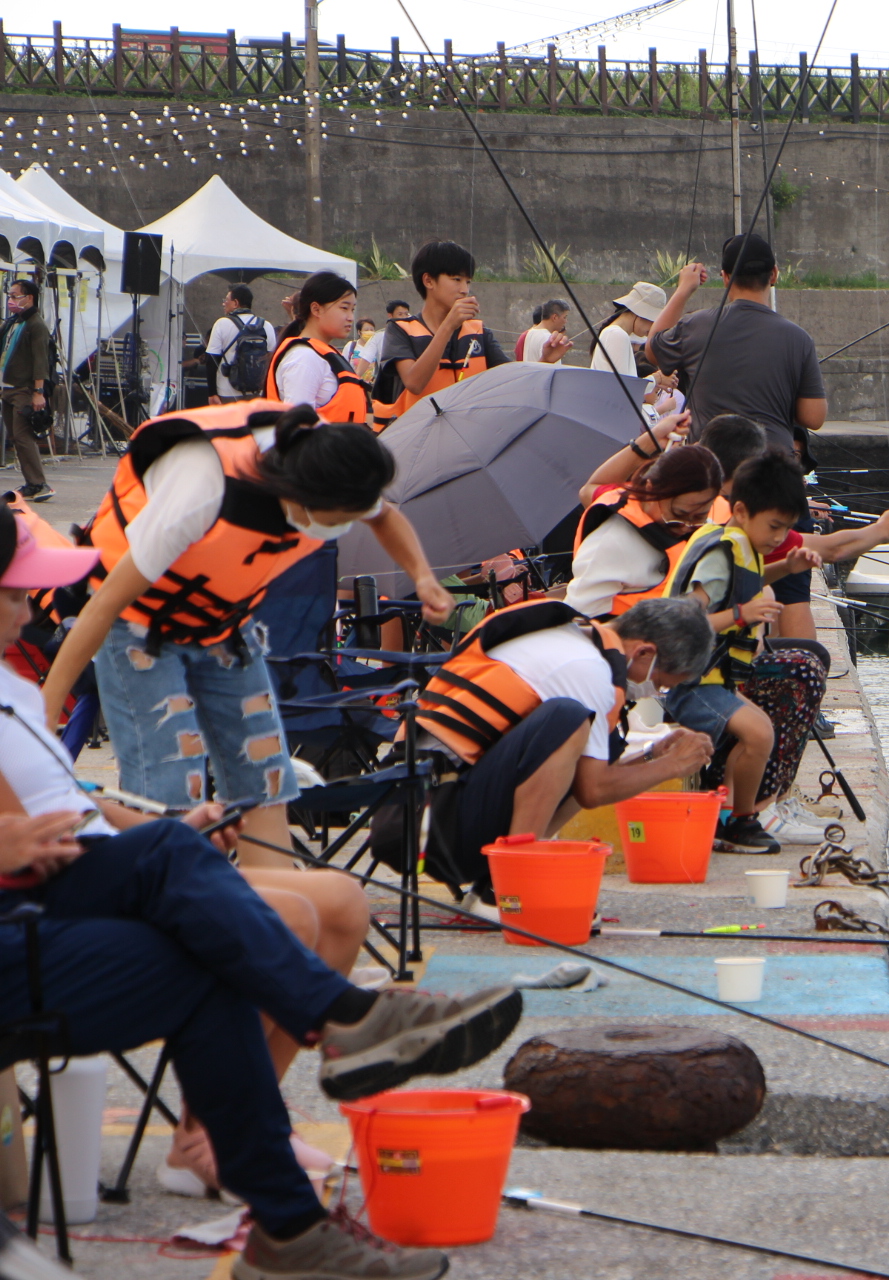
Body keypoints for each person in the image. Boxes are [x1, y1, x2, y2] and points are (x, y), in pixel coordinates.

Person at [0, 506, 523, 1280]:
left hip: (54, 891)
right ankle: (339, 1042)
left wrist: (159, 819)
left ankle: (295, 1201)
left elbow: (59, 803)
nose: (29, 607)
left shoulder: (12, 679)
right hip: (20, 931)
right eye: (15, 592)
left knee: (181, 859)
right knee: (207, 944)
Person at [39, 403, 456, 871]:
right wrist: (49, 710)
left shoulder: (329, 464)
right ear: (297, 493)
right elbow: (104, 606)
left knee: (264, 774)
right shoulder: (201, 489)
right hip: (140, 624)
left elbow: (383, 515)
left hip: (224, 625)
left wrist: (423, 578)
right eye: (335, 519)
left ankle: (272, 891)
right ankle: (167, 904)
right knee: (172, 785)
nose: (339, 530)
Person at [401, 596, 715, 905]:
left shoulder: (572, 637)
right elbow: (592, 791)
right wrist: (672, 766)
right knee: (568, 719)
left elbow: (585, 780)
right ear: (645, 652)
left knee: (604, 745)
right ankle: (511, 888)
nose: (656, 692)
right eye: (661, 683)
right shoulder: (588, 669)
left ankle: (498, 879)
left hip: (418, 804)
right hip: (426, 825)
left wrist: (652, 756)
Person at [646, 235, 827, 640]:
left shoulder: (696, 327)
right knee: (792, 594)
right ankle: (797, 689)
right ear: (774, 276)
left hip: (715, 483)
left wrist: (683, 289)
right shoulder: (797, 338)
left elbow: (654, 349)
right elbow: (813, 417)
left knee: (715, 584)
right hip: (776, 477)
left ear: (725, 277)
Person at [664, 451, 831, 854]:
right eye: (774, 526)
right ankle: (741, 822)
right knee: (758, 733)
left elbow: (748, 579)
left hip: (717, 679)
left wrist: (786, 568)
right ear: (740, 509)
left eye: (787, 529)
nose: (778, 538)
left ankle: (728, 815)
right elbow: (684, 621)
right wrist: (741, 614)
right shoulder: (721, 552)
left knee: (760, 732)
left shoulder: (741, 543)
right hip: (691, 684)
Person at [372, 241, 565, 428]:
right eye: (456, 279)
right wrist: (448, 326)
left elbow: (512, 381)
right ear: (428, 280)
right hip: (418, 442)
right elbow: (414, 383)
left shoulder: (479, 333)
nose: (464, 290)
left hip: (467, 439)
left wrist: (544, 361)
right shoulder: (399, 330)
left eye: (468, 281)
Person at [565, 441, 725, 620]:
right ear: (651, 489)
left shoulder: (710, 527)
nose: (686, 526)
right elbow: (576, 622)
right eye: (678, 514)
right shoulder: (611, 542)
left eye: (699, 517)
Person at [261, 272, 372, 425]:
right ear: (316, 309)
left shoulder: (321, 354)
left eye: (352, 310)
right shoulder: (304, 358)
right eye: (344, 308)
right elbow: (298, 429)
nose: (351, 317)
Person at [0, 280, 52, 503]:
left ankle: (39, 483)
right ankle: (31, 483)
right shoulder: (14, 322)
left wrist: (38, 391)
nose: (11, 300)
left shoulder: (35, 325)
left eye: (15, 295)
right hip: (8, 388)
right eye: (9, 295)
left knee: (23, 437)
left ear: (28, 297)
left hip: (24, 390)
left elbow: (41, 360)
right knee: (15, 436)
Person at [195, 284, 275, 405]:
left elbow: (212, 360)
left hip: (228, 392)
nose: (223, 303)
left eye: (226, 300)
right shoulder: (266, 325)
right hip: (257, 392)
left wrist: (212, 393)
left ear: (236, 303)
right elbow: (272, 360)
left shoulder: (222, 323)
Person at [589, 281, 676, 378]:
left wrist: (656, 380)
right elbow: (623, 387)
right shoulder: (617, 335)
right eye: (652, 320)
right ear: (640, 313)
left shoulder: (614, 333)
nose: (653, 327)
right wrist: (655, 379)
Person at [518, 299, 571, 364]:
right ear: (555, 317)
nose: (566, 321)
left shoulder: (530, 333)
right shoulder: (549, 339)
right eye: (564, 317)